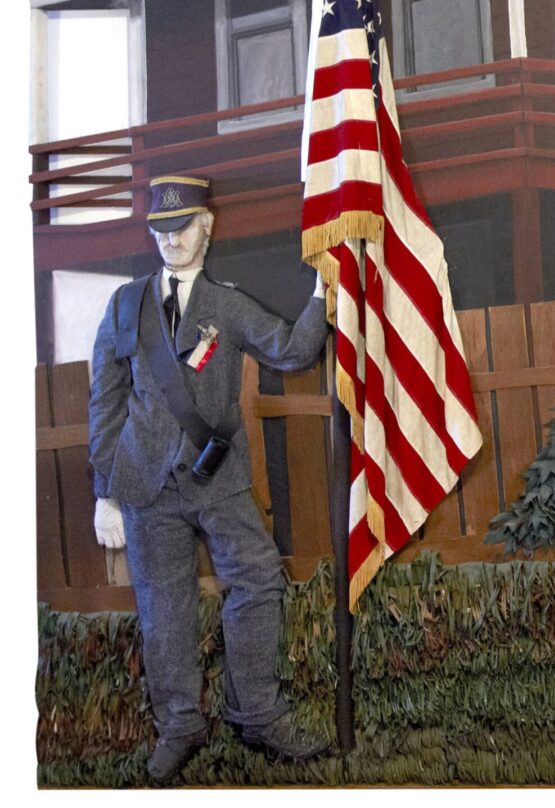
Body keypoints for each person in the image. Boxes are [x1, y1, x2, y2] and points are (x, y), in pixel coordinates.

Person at [88, 175, 331, 783]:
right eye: (161, 230)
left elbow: (293, 351)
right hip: (145, 484)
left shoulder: (227, 303)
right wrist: (105, 493)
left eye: (183, 227)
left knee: (257, 578)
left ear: (207, 229)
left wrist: (326, 294)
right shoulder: (125, 305)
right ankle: (180, 727)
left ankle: (256, 714)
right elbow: (106, 399)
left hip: (216, 476)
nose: (172, 240)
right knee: (162, 608)